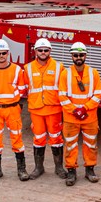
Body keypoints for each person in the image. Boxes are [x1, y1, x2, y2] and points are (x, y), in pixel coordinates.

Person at [0, 38, 30, 181]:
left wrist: (10, 98)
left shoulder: (17, 70)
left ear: (8, 53)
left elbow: (22, 89)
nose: (1, 56)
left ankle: (21, 170)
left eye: (4, 53)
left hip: (12, 109)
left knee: (17, 139)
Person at [58, 42, 101, 185]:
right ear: (71, 56)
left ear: (85, 56)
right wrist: (74, 110)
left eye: (81, 55)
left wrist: (84, 108)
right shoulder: (65, 73)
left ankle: (90, 168)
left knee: (91, 144)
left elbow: (97, 95)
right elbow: (62, 96)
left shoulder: (93, 73)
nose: (79, 57)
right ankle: (71, 170)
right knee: (70, 144)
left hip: (89, 117)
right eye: (76, 55)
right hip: (71, 118)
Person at [23, 37, 64, 179]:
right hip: (36, 110)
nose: (43, 52)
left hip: (54, 109)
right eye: (40, 50)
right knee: (38, 138)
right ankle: (38, 168)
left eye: (46, 50)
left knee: (56, 138)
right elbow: (25, 87)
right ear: (35, 51)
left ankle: (59, 168)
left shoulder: (59, 67)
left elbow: (63, 88)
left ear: (50, 51)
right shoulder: (27, 68)